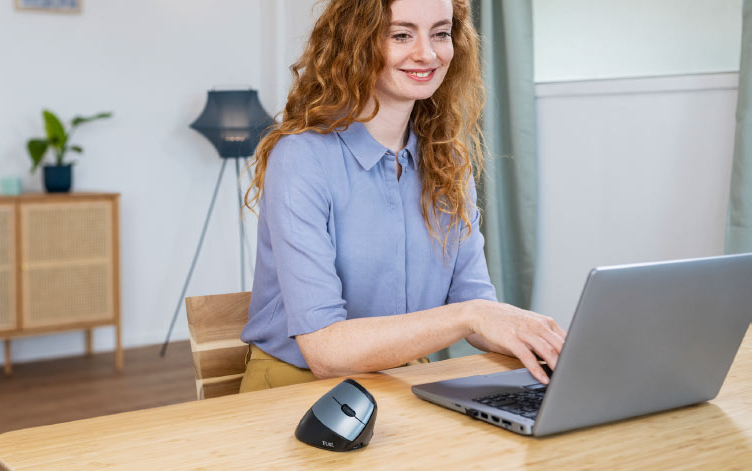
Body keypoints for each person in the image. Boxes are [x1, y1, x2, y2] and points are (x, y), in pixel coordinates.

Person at [239, 0, 565, 393]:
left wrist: (542, 341)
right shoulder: (301, 158)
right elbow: (325, 351)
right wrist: (471, 316)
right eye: (401, 35)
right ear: (356, 43)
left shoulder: (448, 161)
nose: (427, 54)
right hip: (296, 391)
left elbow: (474, 301)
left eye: (441, 33)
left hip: (406, 380)